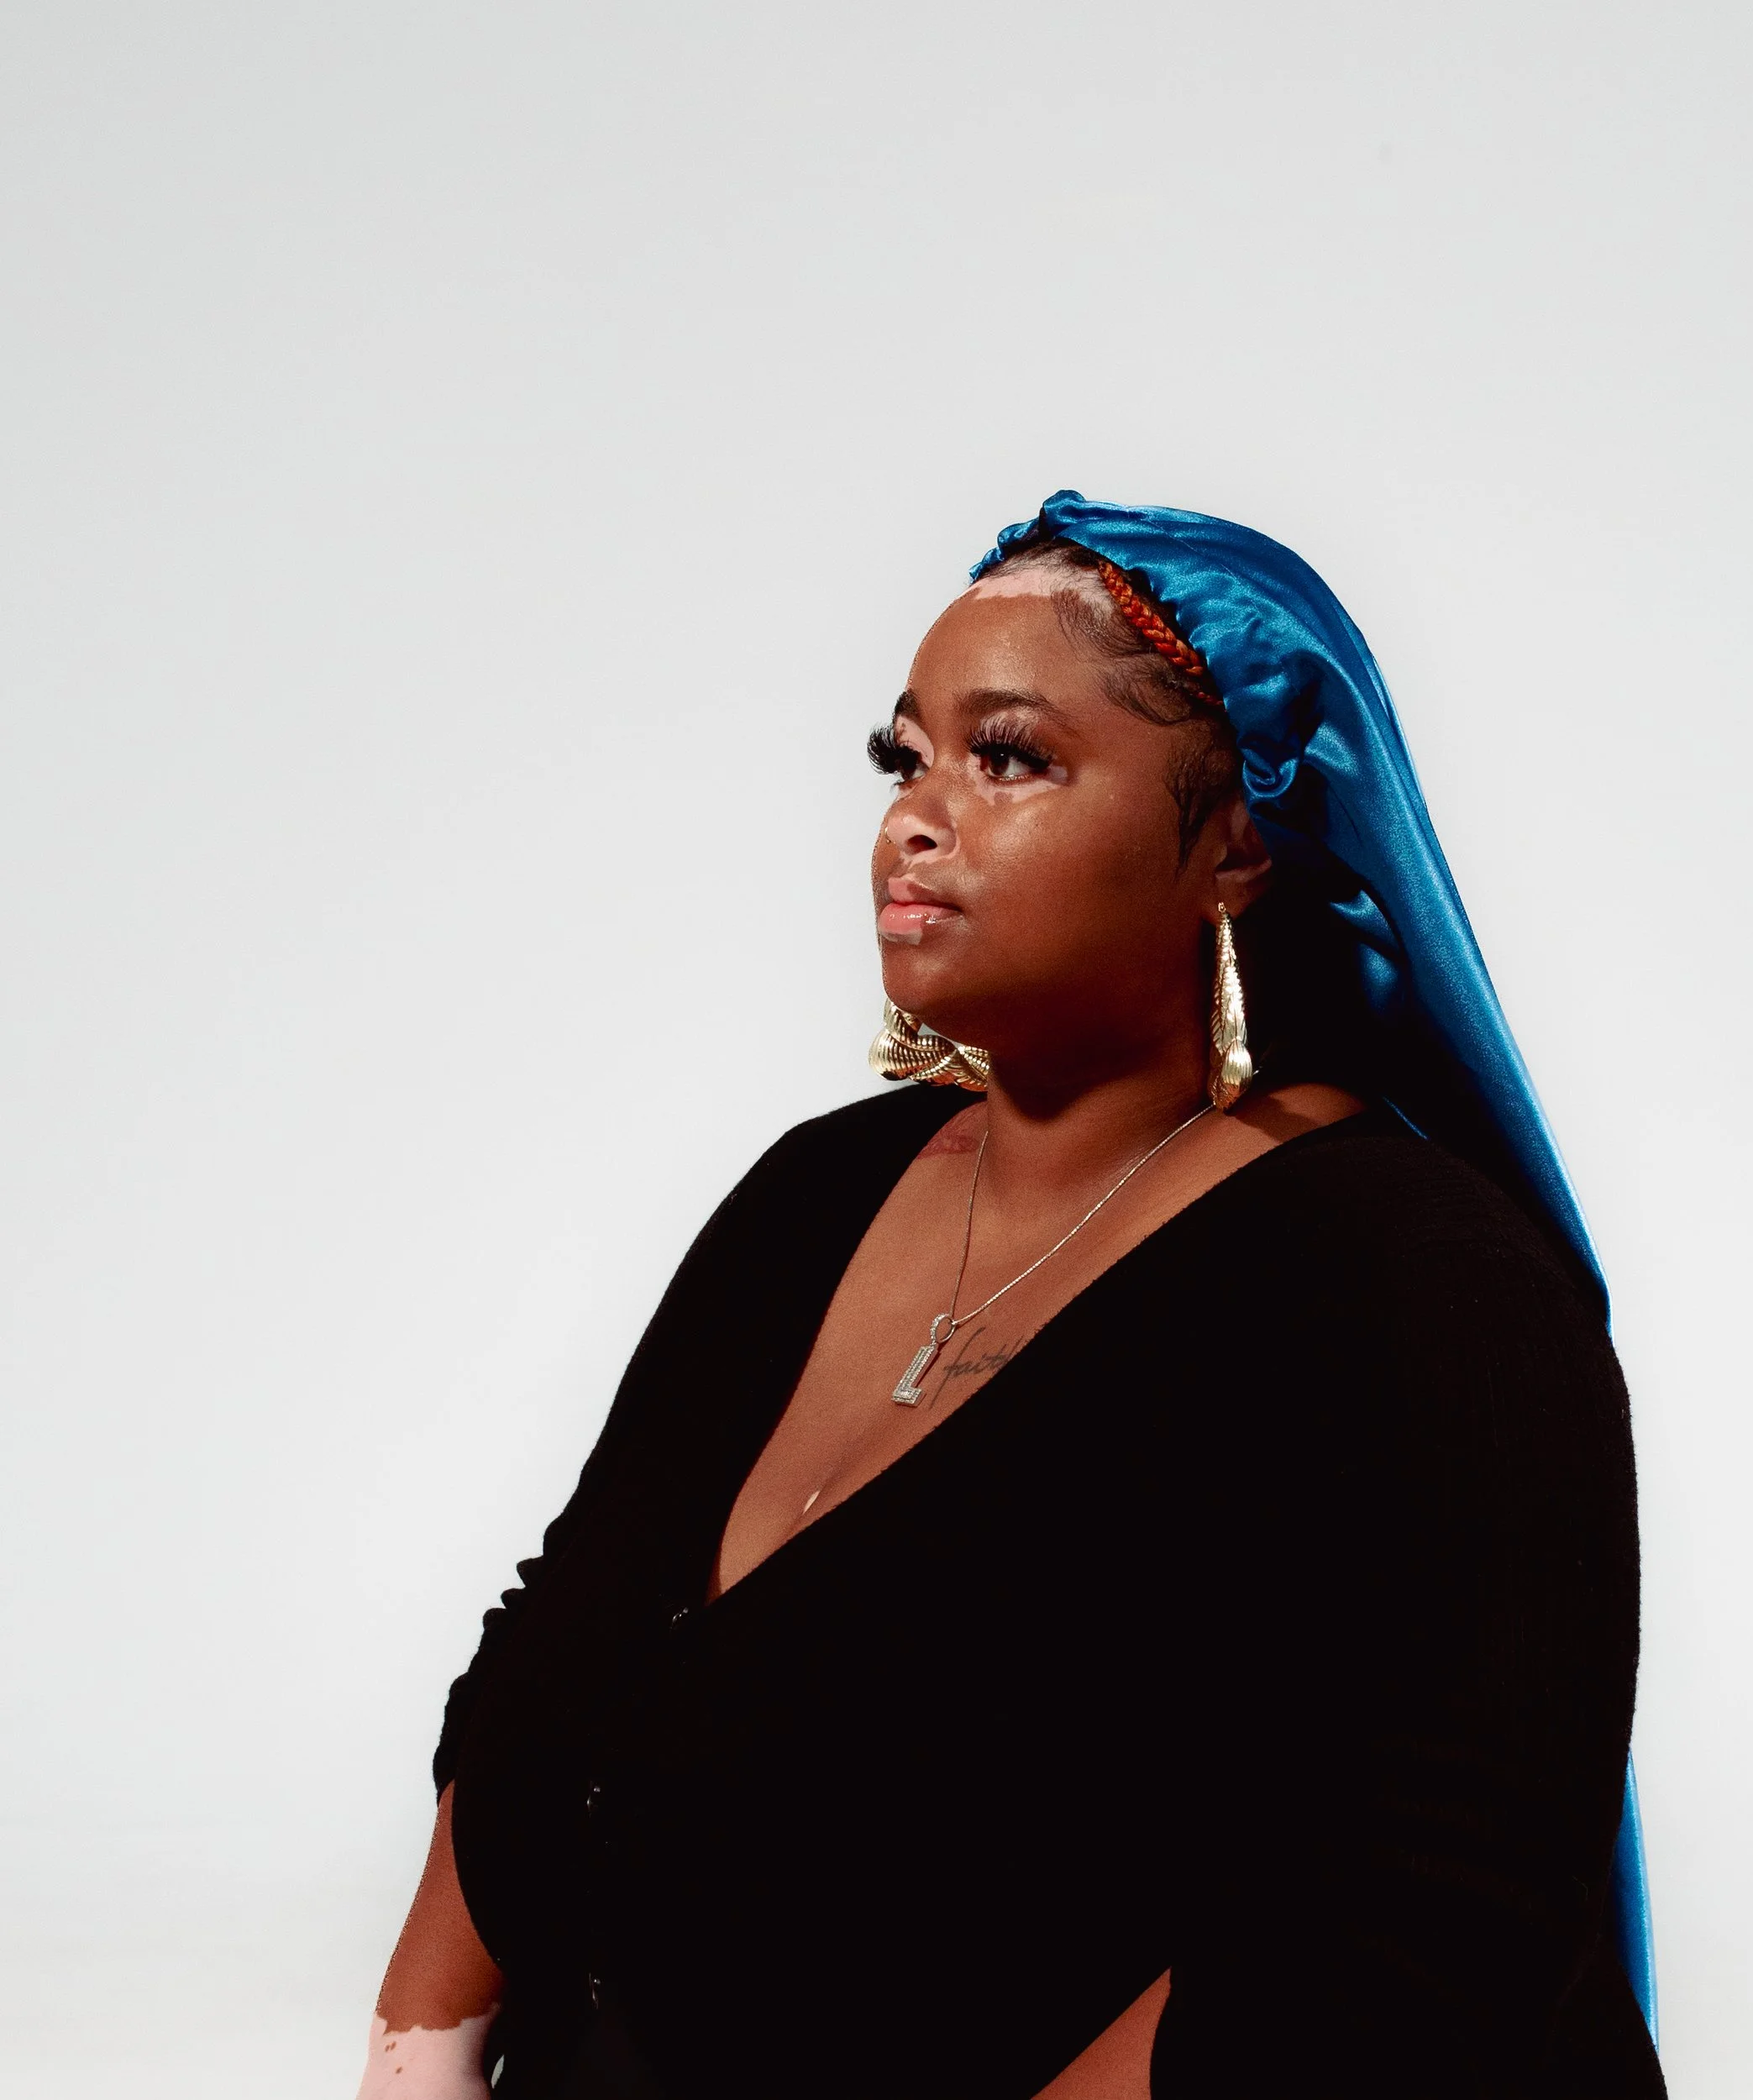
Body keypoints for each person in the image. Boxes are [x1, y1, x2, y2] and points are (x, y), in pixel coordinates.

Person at [356, 493, 1666, 2099]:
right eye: (904, 758)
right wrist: (415, 2057)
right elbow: (563, 1638)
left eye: (1010, 758)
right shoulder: (815, 1192)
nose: (916, 819)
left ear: (1237, 843)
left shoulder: (1428, 1286)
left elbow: (1423, 1926)